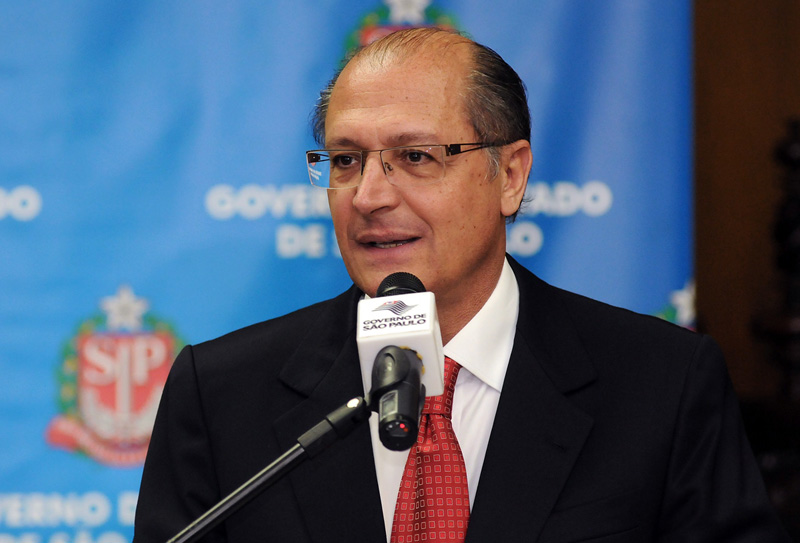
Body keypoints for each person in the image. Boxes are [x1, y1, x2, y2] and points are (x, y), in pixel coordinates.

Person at [133, 27, 791, 542]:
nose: (368, 195)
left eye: (416, 157)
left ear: (511, 175)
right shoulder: (221, 396)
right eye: (346, 160)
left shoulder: (662, 384)